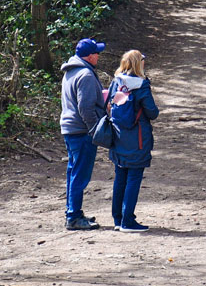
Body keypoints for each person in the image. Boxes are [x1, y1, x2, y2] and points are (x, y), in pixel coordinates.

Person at [105, 50, 161, 232]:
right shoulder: (142, 85)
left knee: (120, 177)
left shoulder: (116, 82)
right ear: (139, 64)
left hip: (118, 136)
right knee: (134, 178)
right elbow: (152, 112)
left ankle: (118, 219)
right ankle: (128, 221)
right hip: (137, 139)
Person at [60, 37, 109, 231]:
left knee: (74, 172)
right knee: (80, 174)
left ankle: (74, 212)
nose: (98, 56)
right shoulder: (86, 75)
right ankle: (73, 217)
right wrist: (95, 130)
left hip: (71, 129)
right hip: (81, 131)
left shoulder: (71, 72)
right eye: (97, 53)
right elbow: (86, 107)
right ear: (90, 56)